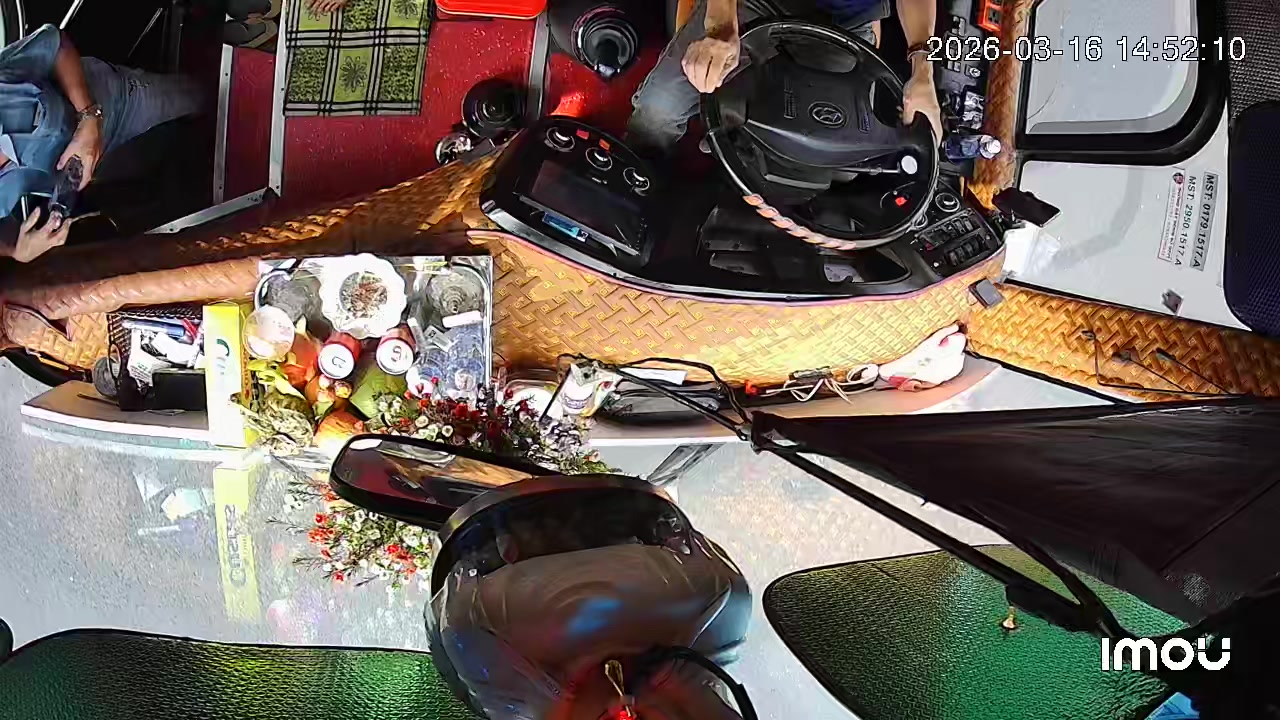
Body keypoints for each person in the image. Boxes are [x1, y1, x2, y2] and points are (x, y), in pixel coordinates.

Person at [628, 0, 944, 158]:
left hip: (845, 24)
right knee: (659, 109)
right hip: (754, 3)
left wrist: (923, 73)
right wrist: (720, 23)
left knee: (831, 155)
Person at [0, 25, 204, 263]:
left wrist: (89, 117)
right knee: (162, 160)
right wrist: (16, 250)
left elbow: (57, 44)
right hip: (96, 169)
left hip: (115, 102)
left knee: (194, 98)